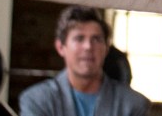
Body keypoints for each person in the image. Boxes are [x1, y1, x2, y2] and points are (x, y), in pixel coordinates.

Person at [18, 6, 150, 116]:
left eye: (96, 39)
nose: (88, 46)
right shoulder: (37, 100)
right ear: (60, 47)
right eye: (79, 38)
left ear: (106, 49)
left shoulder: (133, 104)